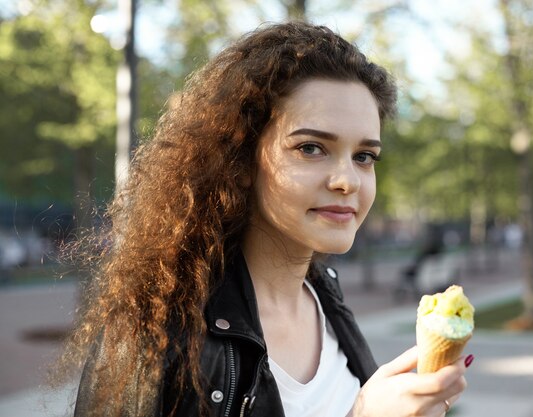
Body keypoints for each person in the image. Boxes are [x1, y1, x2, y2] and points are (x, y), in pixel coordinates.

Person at [61, 22, 472, 417]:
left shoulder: (327, 299)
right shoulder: (156, 326)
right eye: (311, 148)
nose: (347, 180)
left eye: (364, 156)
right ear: (240, 162)